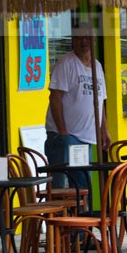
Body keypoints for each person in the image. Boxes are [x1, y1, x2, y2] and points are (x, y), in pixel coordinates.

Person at [45, 26, 107, 193]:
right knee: (60, 185)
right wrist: (63, 132)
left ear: (93, 40)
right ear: (73, 40)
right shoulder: (66, 63)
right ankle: (58, 218)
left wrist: (104, 131)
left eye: (87, 38)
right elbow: (55, 98)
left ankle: (80, 218)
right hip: (67, 136)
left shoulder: (97, 67)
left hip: (86, 138)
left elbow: (100, 101)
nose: (84, 41)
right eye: (79, 38)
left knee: (81, 185)